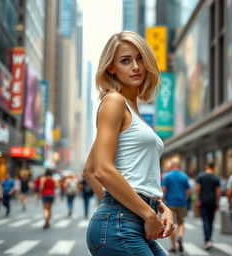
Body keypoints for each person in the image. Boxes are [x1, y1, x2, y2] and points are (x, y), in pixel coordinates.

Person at [82, 31, 174, 256]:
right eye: (126, 60)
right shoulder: (114, 101)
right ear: (111, 68)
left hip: (132, 220)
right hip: (122, 226)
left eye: (140, 58)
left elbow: (89, 170)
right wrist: (143, 212)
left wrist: (161, 208)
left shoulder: (133, 111)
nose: (136, 66)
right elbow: (101, 170)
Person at [161, 157, 190, 254]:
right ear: (179, 165)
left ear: (172, 165)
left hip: (171, 203)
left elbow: (164, 189)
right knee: (181, 223)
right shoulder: (184, 176)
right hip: (182, 203)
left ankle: (173, 246)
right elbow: (188, 191)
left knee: (172, 224)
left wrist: (163, 201)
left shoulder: (167, 176)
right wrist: (185, 199)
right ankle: (180, 237)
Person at [195, 160, 221, 250]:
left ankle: (207, 240)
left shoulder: (201, 176)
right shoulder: (216, 178)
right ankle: (209, 238)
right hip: (212, 202)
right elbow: (218, 192)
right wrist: (218, 202)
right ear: (213, 167)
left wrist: (197, 199)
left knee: (205, 220)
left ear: (206, 166)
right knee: (211, 221)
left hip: (203, 202)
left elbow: (197, 188)